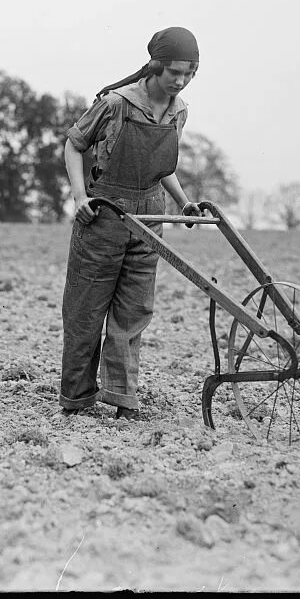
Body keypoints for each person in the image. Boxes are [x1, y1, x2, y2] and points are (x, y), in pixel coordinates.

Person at [60, 26, 205, 421]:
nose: (181, 80)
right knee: (86, 312)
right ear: (156, 66)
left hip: (148, 217)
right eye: (176, 72)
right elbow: (74, 143)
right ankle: (76, 401)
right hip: (104, 214)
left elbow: (161, 168)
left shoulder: (179, 111)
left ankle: (123, 400)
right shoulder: (118, 103)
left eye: (190, 72)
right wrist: (79, 196)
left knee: (133, 312)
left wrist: (184, 202)